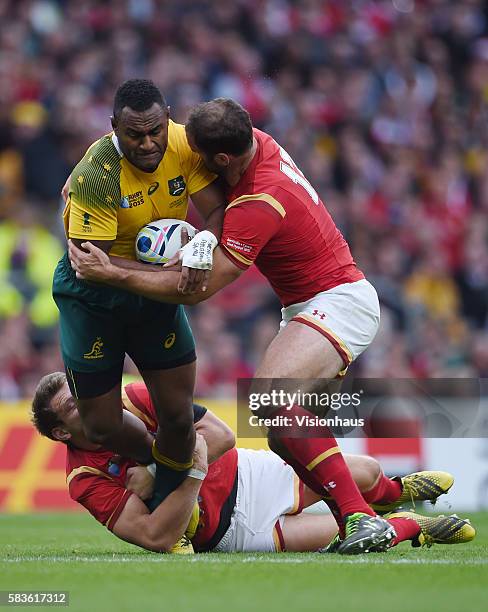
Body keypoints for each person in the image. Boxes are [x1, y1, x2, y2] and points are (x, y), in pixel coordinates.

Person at [69, 98, 413, 553]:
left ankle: (360, 517)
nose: (189, 160)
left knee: (270, 399)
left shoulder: (259, 201)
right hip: (309, 304)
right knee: (282, 434)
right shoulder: (260, 144)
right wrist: (85, 189)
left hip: (337, 301)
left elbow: (200, 289)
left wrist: (115, 273)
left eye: (197, 156)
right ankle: (389, 506)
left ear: (223, 159)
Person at [31, 373, 475, 555]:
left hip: (249, 473)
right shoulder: (84, 479)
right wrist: (194, 471)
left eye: (79, 389)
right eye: (73, 405)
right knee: (343, 540)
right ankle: (412, 524)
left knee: (367, 474)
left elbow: (222, 437)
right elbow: (155, 535)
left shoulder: (130, 397)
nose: (87, 399)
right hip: (232, 532)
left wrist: (160, 472)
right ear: (62, 434)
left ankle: (395, 491)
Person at [54, 80, 225, 504]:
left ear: (168, 117)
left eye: (156, 131)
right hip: (92, 298)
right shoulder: (97, 173)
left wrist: (202, 243)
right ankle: (161, 466)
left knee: (178, 417)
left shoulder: (185, 144)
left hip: (153, 291)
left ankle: (167, 494)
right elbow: (93, 265)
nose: (148, 144)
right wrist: (167, 270)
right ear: (114, 127)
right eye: (135, 135)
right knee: (100, 426)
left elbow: (218, 209)